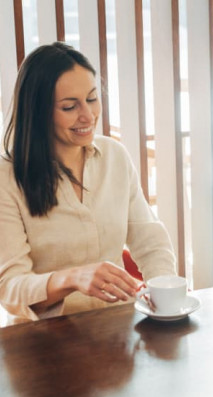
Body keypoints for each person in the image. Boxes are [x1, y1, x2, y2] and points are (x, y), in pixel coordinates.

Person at [0, 42, 176, 324]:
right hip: (42, 341)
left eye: (92, 99)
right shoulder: (7, 177)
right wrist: (71, 279)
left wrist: (164, 296)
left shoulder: (114, 156)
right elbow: (10, 288)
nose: (88, 116)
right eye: (69, 106)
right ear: (39, 111)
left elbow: (150, 242)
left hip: (119, 327)